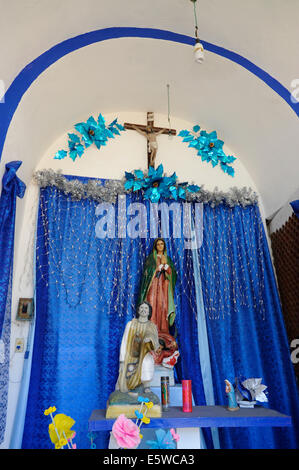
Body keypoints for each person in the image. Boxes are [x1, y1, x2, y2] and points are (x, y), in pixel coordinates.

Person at [115, 301, 160, 394]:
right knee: (127, 370)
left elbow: (155, 341)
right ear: (138, 310)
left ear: (149, 312)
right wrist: (122, 359)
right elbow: (124, 341)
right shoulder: (131, 324)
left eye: (146, 308)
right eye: (142, 308)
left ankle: (146, 386)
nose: (144, 310)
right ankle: (128, 387)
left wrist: (149, 340)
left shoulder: (152, 326)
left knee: (146, 363)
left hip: (144, 353)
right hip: (131, 354)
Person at [138, 238, 177, 335]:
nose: (160, 246)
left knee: (163, 306)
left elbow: (173, 275)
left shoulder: (167, 259)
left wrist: (168, 268)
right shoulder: (151, 258)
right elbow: (146, 273)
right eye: (158, 244)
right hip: (153, 286)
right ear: (155, 246)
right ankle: (151, 330)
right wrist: (156, 269)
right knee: (152, 305)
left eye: (162, 244)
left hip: (164, 287)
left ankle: (163, 330)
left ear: (164, 246)